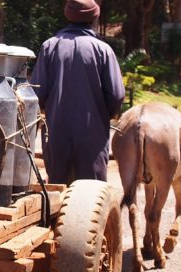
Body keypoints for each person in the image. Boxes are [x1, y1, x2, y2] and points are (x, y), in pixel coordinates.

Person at [30, 0, 125, 184]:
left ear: (68, 15)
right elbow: (116, 95)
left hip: (56, 134)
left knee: (57, 193)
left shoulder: (50, 46)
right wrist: (104, 115)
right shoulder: (103, 50)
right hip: (93, 137)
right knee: (91, 195)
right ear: (94, 18)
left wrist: (51, 110)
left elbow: (37, 92)